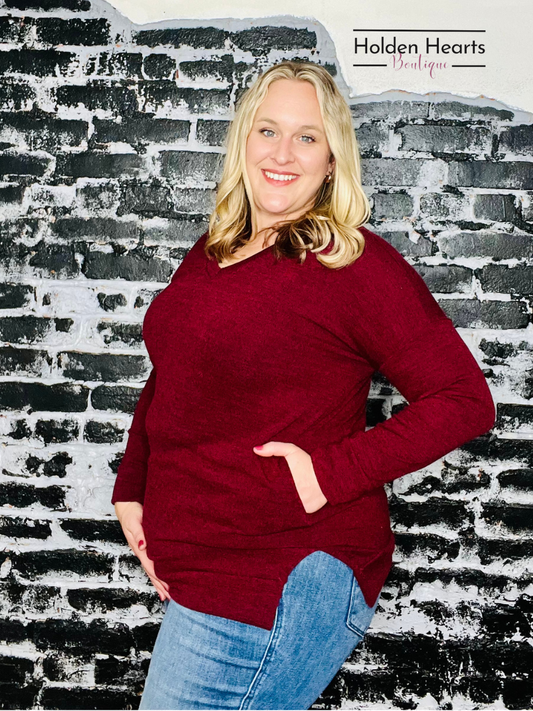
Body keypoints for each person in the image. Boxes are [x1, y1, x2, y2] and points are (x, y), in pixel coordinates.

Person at [111, 60, 496, 710]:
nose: (282, 153)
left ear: (331, 161)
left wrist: (327, 473)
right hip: (207, 572)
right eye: (267, 130)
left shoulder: (353, 264)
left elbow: (464, 400)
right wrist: (133, 485)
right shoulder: (214, 249)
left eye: (306, 136)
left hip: (280, 575)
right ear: (244, 141)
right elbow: (174, 371)